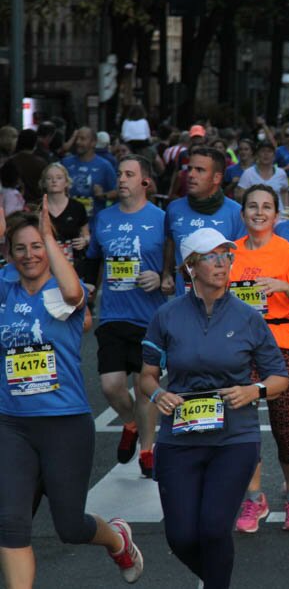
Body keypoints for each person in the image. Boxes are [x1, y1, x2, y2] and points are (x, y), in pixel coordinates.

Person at [0, 203, 144, 588]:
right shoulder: (4, 286)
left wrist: (49, 237)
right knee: (11, 525)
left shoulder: (59, 290)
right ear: (9, 254)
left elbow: (73, 292)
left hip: (65, 424)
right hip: (12, 424)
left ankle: (117, 538)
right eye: (20, 248)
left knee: (69, 526)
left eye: (36, 247)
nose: (29, 255)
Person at [139, 228, 289, 588]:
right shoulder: (167, 316)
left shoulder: (248, 317)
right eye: (212, 257)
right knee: (181, 537)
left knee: (214, 528)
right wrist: (159, 395)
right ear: (190, 267)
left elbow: (279, 377)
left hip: (234, 437)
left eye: (227, 256)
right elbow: (145, 376)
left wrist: (254, 391)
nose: (223, 264)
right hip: (179, 438)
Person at [230, 185, 289, 533]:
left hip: (283, 344)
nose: (259, 212)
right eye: (252, 206)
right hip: (239, 347)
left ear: (276, 215)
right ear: (243, 214)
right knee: (243, 427)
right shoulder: (230, 252)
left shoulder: (287, 252)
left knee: (286, 425)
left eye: (267, 207)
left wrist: (283, 288)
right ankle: (254, 500)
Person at [87, 156, 167, 478]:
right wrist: (87, 285)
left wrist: (161, 277)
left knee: (145, 386)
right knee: (110, 386)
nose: (121, 179)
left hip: (150, 317)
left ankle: (147, 451)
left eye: (129, 174)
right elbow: (92, 258)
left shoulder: (161, 219)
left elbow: (176, 266)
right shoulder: (103, 219)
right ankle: (130, 423)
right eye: (119, 174)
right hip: (113, 316)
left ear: (144, 182)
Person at [162, 146, 246, 296]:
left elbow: (243, 261)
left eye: (200, 170)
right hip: (185, 307)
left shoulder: (236, 213)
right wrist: (167, 273)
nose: (190, 175)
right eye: (190, 168)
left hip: (222, 308)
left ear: (217, 178)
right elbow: (170, 242)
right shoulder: (174, 209)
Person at [40, 163, 90, 274]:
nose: (54, 181)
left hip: (73, 265)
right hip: (45, 266)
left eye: (59, 177)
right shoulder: (38, 209)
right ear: (43, 183)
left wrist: (84, 241)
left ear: (66, 182)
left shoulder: (78, 207)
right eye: (49, 178)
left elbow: (87, 235)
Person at [62, 127, 118, 219]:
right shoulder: (66, 163)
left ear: (93, 142)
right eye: (77, 139)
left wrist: (103, 195)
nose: (78, 142)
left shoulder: (104, 166)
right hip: (69, 222)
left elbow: (117, 191)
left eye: (82, 139)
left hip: (94, 224)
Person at [235, 139, 289, 210]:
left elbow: (284, 192)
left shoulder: (281, 173)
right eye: (263, 151)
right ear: (257, 154)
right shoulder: (248, 173)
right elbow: (240, 197)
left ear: (274, 155)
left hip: (279, 218)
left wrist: (286, 210)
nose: (266, 154)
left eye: (269, 151)